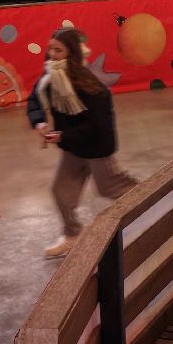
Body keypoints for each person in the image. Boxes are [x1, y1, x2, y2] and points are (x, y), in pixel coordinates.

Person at [29, 26, 138, 259]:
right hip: (73, 148)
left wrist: (63, 136)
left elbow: (98, 126)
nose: (52, 55)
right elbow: (35, 101)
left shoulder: (91, 86)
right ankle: (73, 234)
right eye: (50, 49)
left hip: (97, 149)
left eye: (58, 50)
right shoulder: (49, 79)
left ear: (71, 53)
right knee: (61, 190)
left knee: (112, 187)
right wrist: (39, 123)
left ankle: (154, 205)